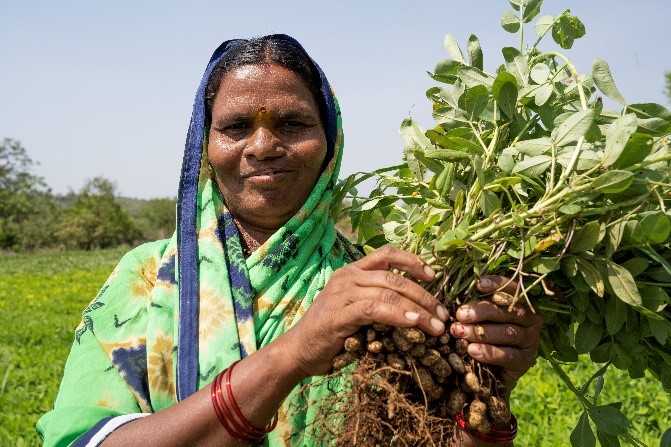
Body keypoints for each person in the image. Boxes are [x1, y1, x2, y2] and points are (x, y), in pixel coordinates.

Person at [37, 34, 543, 446]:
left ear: (331, 141)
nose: (262, 145)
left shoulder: (382, 288)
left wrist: (491, 393)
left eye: (293, 123)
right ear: (205, 146)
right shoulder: (148, 279)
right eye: (235, 126)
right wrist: (292, 354)